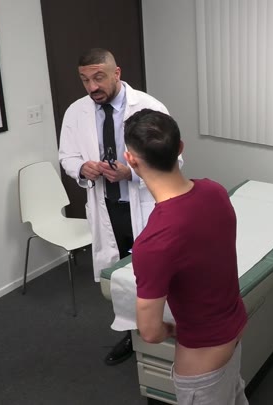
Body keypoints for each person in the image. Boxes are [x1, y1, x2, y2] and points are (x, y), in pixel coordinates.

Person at [58, 48, 182, 365]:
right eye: (85, 80)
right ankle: (130, 336)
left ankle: (169, 332)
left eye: (98, 77)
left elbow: (174, 160)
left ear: (117, 73)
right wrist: (82, 168)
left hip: (145, 207)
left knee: (158, 274)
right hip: (107, 208)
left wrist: (133, 173)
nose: (92, 87)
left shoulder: (150, 107)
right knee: (121, 279)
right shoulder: (76, 112)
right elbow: (67, 156)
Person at [124, 109, 248, 405]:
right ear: (180, 148)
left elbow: (150, 332)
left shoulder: (153, 243)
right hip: (233, 333)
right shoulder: (215, 191)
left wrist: (173, 329)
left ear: (131, 159)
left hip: (202, 364)